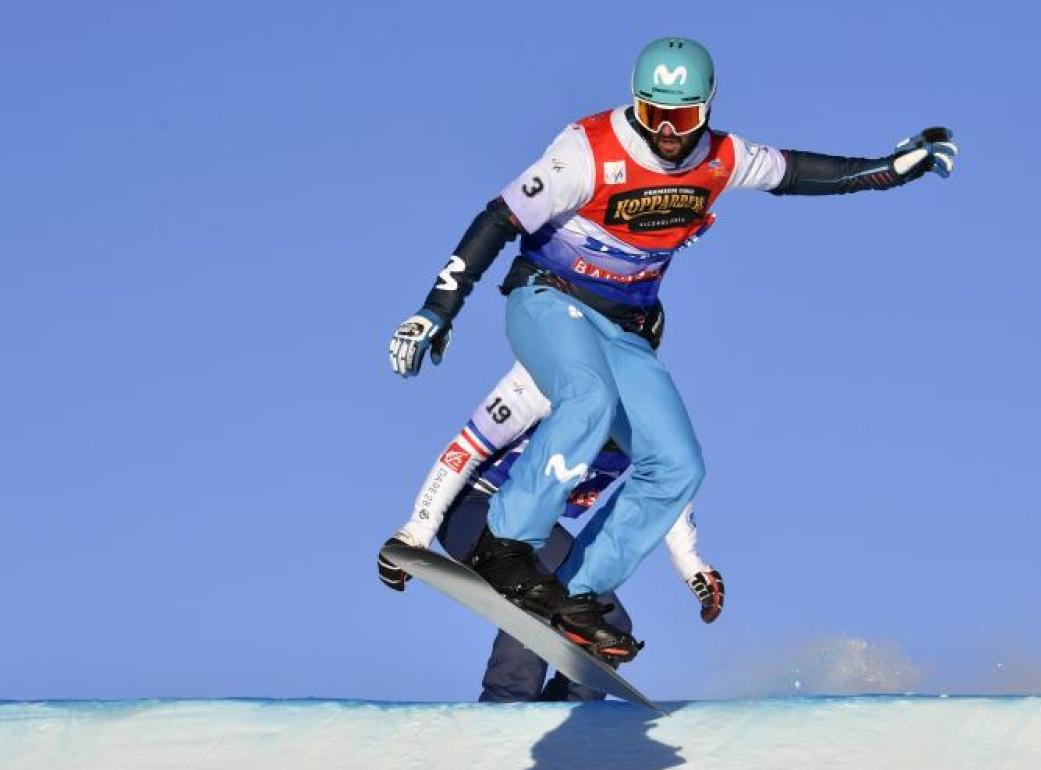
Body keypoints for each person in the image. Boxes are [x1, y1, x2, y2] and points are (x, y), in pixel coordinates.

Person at [387, 37, 957, 661]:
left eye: (680, 118)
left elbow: (798, 173)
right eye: (652, 113)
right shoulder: (586, 151)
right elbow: (499, 218)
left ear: (705, 110)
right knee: (588, 399)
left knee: (677, 464)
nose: (665, 131)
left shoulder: (722, 157)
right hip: (547, 297)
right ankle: (506, 547)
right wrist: (437, 309)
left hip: (625, 327)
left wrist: (888, 170)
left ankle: (575, 592)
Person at [378, 361, 724, 697]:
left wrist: (690, 564)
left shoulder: (644, 420)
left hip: (533, 527)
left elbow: (667, 490)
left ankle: (573, 719)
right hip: (473, 507)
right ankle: (506, 702)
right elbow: (463, 450)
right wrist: (417, 531)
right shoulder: (543, 382)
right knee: (538, 596)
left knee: (608, 625)